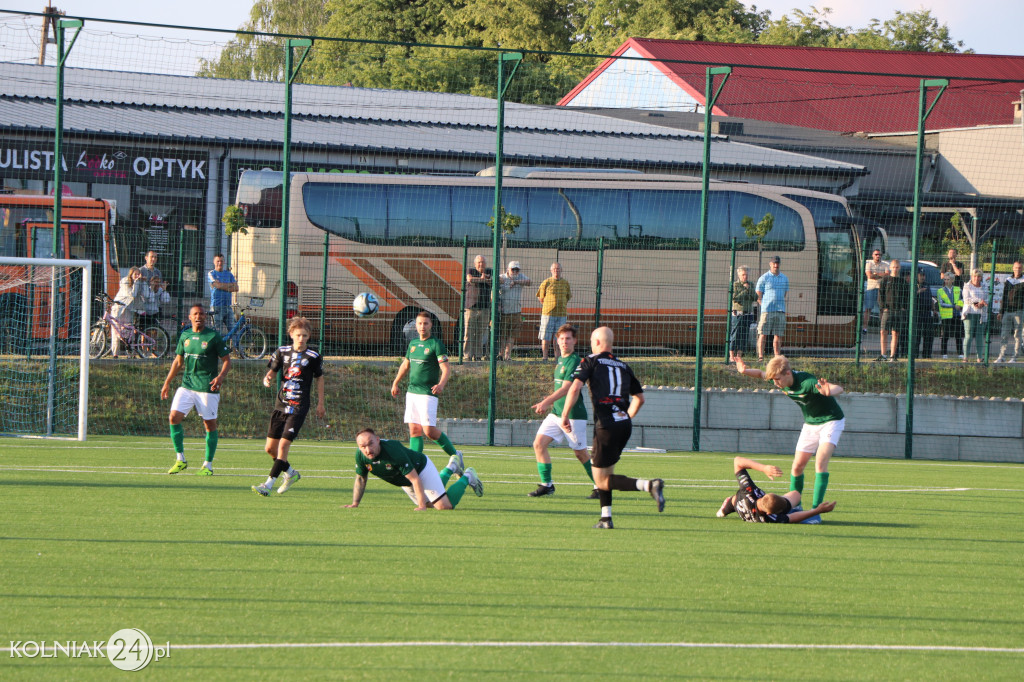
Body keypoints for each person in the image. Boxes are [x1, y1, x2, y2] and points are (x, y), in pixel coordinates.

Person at [560, 326, 665, 529]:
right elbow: (640, 399)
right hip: (624, 424)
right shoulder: (623, 365)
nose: (590, 345)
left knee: (601, 481)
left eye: (592, 341)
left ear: (598, 343)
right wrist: (625, 416)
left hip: (606, 425)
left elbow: (575, 387)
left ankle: (650, 485)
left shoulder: (590, 360)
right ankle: (606, 518)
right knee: (606, 474)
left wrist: (564, 415)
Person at [734, 355, 844, 514]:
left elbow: (838, 388)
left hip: (831, 421)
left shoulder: (807, 382)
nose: (775, 383)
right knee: (797, 466)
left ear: (788, 373)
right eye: (772, 379)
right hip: (811, 423)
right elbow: (760, 373)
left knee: (820, 462)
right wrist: (745, 371)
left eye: (777, 379)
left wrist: (829, 391)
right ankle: (794, 507)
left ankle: (815, 511)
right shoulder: (779, 378)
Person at [252, 317, 326, 497]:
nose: (301, 338)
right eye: (298, 335)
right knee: (270, 449)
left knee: (284, 445)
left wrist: (320, 403)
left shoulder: (313, 356)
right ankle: (291, 473)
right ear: (291, 334)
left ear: (309, 337)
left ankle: (268, 485)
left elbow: (320, 378)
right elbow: (273, 370)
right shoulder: (282, 352)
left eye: (305, 335)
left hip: (299, 406)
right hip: (281, 404)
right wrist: (267, 377)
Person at [528, 324, 598, 499]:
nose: (565, 342)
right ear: (557, 341)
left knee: (580, 453)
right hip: (557, 414)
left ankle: (600, 486)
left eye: (568, 338)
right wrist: (550, 405)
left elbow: (567, 388)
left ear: (575, 341)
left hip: (574, 415)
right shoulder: (560, 360)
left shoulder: (576, 361)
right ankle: (547, 485)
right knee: (539, 444)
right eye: (562, 339)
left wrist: (545, 402)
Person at [161, 304, 230, 475]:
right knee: (173, 417)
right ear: (190, 317)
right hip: (187, 385)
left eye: (201, 314)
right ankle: (180, 459)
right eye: (195, 314)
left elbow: (227, 360)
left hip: (207, 387)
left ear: (205, 317)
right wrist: (167, 382)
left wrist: (220, 377)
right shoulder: (185, 335)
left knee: (209, 425)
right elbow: (178, 362)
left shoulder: (213, 336)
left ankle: (208, 465)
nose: (198, 316)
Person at [391, 310, 465, 466]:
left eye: (425, 323)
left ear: (431, 325)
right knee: (414, 431)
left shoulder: (436, 344)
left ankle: (456, 455)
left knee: (429, 431)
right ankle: (415, 463)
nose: (422, 326)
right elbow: (406, 365)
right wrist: (396, 382)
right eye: (419, 323)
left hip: (427, 393)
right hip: (412, 392)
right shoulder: (412, 344)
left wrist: (441, 385)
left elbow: (446, 368)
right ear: (415, 325)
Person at [345, 428, 482, 510]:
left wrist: (421, 506)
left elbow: (415, 479)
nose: (368, 449)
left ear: (378, 440)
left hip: (421, 469)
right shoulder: (360, 456)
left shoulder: (393, 451)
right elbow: (361, 479)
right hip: (406, 480)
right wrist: (355, 503)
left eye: (371, 444)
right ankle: (451, 468)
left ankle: (468, 476)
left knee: (443, 506)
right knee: (430, 503)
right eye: (363, 446)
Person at [716, 456, 836, 524]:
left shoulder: (749, 491)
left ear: (763, 496)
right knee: (796, 495)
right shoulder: (771, 519)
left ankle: (726, 508)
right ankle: (790, 507)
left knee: (736, 499)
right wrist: (817, 511)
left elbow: (737, 461)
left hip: (739, 504)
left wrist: (763, 468)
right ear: (770, 513)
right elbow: (793, 518)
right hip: (747, 509)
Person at [755, 255, 788, 360]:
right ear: (770, 264)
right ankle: (761, 356)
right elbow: (758, 295)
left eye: (777, 263)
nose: (775, 265)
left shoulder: (785, 278)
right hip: (767, 311)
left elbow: (784, 294)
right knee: (763, 334)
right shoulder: (764, 278)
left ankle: (777, 356)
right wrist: (764, 305)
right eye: (774, 263)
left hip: (780, 310)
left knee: (778, 335)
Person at [536, 263, 571, 361]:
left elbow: (567, 297)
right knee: (546, 336)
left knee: (559, 337)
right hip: (548, 314)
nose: (556, 270)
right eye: (554, 269)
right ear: (551, 270)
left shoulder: (565, 283)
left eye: (558, 268)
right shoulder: (546, 282)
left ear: (561, 270)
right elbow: (540, 297)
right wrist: (549, 305)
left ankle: (557, 358)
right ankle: (545, 357)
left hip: (561, 314)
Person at [498, 260, 531, 361]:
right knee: (502, 334)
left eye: (517, 269)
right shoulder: (502, 277)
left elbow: (529, 282)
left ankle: (508, 355)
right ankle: (500, 354)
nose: (515, 272)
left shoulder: (520, 277)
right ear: (508, 269)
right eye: (513, 269)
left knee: (512, 335)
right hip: (504, 311)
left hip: (516, 311)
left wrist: (516, 282)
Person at [462, 255, 492, 361]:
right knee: (469, 332)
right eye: (479, 262)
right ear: (475, 264)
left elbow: (497, 281)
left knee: (481, 332)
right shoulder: (470, 270)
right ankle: (467, 355)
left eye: (483, 262)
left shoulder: (490, 271)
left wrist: (482, 280)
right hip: (471, 307)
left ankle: (478, 355)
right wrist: (483, 279)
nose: (481, 264)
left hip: (485, 308)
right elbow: (470, 279)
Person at [877, 259, 909, 362]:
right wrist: (883, 307)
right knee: (883, 331)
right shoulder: (885, 280)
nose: (895, 269)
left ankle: (892, 355)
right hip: (887, 310)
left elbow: (907, 296)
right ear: (890, 268)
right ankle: (883, 355)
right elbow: (880, 295)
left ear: (899, 268)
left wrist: (903, 307)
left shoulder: (903, 282)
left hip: (898, 311)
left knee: (895, 333)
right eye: (893, 267)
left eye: (897, 267)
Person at [110, 267, 145, 358]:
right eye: (135, 274)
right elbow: (131, 294)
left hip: (128, 310)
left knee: (129, 331)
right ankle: (115, 354)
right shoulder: (125, 281)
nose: (137, 276)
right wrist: (137, 282)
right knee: (116, 330)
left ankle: (131, 352)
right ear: (131, 274)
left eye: (138, 274)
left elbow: (137, 295)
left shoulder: (137, 283)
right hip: (118, 309)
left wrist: (138, 282)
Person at [995, 260, 1024, 363]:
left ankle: (1014, 357)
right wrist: (1001, 311)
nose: (1017, 269)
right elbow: (1004, 296)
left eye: (1019, 268)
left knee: (1017, 335)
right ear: (1013, 268)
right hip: (1007, 311)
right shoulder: (1008, 280)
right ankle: (1001, 356)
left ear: (1022, 269)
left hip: (1019, 312)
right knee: (1004, 334)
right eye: (1016, 267)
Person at [729, 265, 758, 362]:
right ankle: (731, 355)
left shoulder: (751, 284)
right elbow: (735, 298)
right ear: (739, 275)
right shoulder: (735, 285)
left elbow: (754, 297)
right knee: (735, 334)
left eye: (746, 275)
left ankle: (739, 356)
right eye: (743, 275)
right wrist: (745, 290)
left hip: (748, 313)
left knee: (744, 335)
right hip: (738, 313)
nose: (745, 277)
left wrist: (749, 289)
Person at [962, 268, 988, 363]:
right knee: (968, 335)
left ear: (981, 277)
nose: (976, 278)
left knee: (980, 336)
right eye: (974, 276)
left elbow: (987, 298)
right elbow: (966, 299)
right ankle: (965, 357)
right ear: (971, 277)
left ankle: (979, 357)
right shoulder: (967, 286)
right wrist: (977, 302)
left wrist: (983, 303)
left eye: (979, 276)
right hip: (969, 313)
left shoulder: (985, 286)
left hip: (981, 314)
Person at [207, 253, 238, 333]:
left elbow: (236, 288)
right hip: (216, 307)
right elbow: (217, 285)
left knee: (234, 330)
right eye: (217, 261)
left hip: (228, 306)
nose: (219, 263)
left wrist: (221, 285)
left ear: (224, 262)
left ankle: (235, 345)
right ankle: (219, 345)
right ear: (214, 262)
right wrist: (230, 285)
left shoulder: (229, 274)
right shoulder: (211, 274)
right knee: (217, 331)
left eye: (221, 261)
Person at [936, 272, 964, 359]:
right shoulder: (940, 291)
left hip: (956, 315)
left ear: (952, 280)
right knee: (945, 335)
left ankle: (960, 353)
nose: (946, 281)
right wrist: (953, 306)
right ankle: (944, 353)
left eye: (948, 279)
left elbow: (962, 299)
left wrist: (959, 305)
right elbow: (941, 303)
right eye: (945, 279)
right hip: (946, 316)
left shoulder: (958, 289)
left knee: (958, 335)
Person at [914, 269, 937, 359]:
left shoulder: (927, 285)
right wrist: (918, 291)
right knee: (917, 334)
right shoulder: (914, 285)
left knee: (929, 334)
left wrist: (933, 309)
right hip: (917, 312)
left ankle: (927, 354)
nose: (922, 277)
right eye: (921, 275)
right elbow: (909, 297)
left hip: (927, 312)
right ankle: (915, 354)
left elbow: (931, 297)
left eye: (923, 275)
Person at [863, 249, 888, 331]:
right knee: (868, 309)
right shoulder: (869, 264)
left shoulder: (885, 264)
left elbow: (887, 275)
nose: (878, 256)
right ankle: (865, 328)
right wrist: (881, 275)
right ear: (873, 255)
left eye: (879, 254)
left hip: (881, 289)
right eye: (876, 254)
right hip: (871, 288)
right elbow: (869, 276)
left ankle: (883, 328)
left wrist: (876, 274)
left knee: (882, 309)